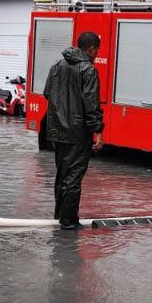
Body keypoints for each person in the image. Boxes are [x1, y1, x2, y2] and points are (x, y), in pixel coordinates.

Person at [43, 32, 104, 230]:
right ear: (91, 49)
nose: (96, 55)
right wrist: (98, 131)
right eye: (97, 51)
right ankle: (68, 222)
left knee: (63, 174)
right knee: (74, 176)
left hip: (57, 131)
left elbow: (47, 93)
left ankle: (60, 215)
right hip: (77, 133)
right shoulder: (88, 70)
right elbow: (91, 104)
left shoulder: (56, 66)